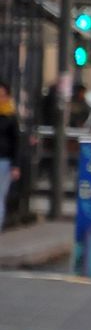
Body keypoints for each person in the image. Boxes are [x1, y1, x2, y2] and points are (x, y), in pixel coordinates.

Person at [0, 82, 19, 231]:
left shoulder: (10, 116)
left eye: (2, 95)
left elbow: (16, 143)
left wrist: (15, 166)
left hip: (3, 160)